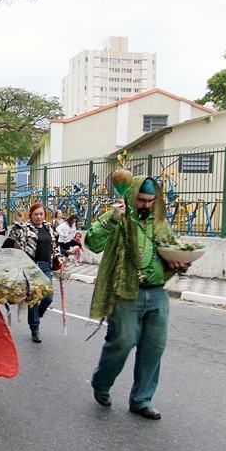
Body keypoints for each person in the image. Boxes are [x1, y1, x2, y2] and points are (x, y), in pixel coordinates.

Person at [85, 176, 192, 420]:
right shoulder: (117, 218)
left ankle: (142, 399)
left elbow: (173, 248)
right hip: (125, 292)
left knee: (154, 348)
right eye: (141, 200)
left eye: (150, 201)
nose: (145, 205)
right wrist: (112, 220)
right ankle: (101, 383)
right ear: (132, 196)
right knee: (122, 342)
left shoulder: (159, 224)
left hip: (156, 293)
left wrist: (181, 263)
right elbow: (92, 241)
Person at [8, 203, 64, 342]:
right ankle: (35, 328)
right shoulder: (25, 228)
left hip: (45, 267)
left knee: (48, 297)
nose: (39, 217)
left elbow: (54, 246)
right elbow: (11, 239)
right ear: (31, 215)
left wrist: (59, 257)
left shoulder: (48, 227)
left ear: (45, 215)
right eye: (36, 214)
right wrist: (17, 224)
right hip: (31, 267)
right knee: (33, 299)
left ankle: (37, 315)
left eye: (41, 214)